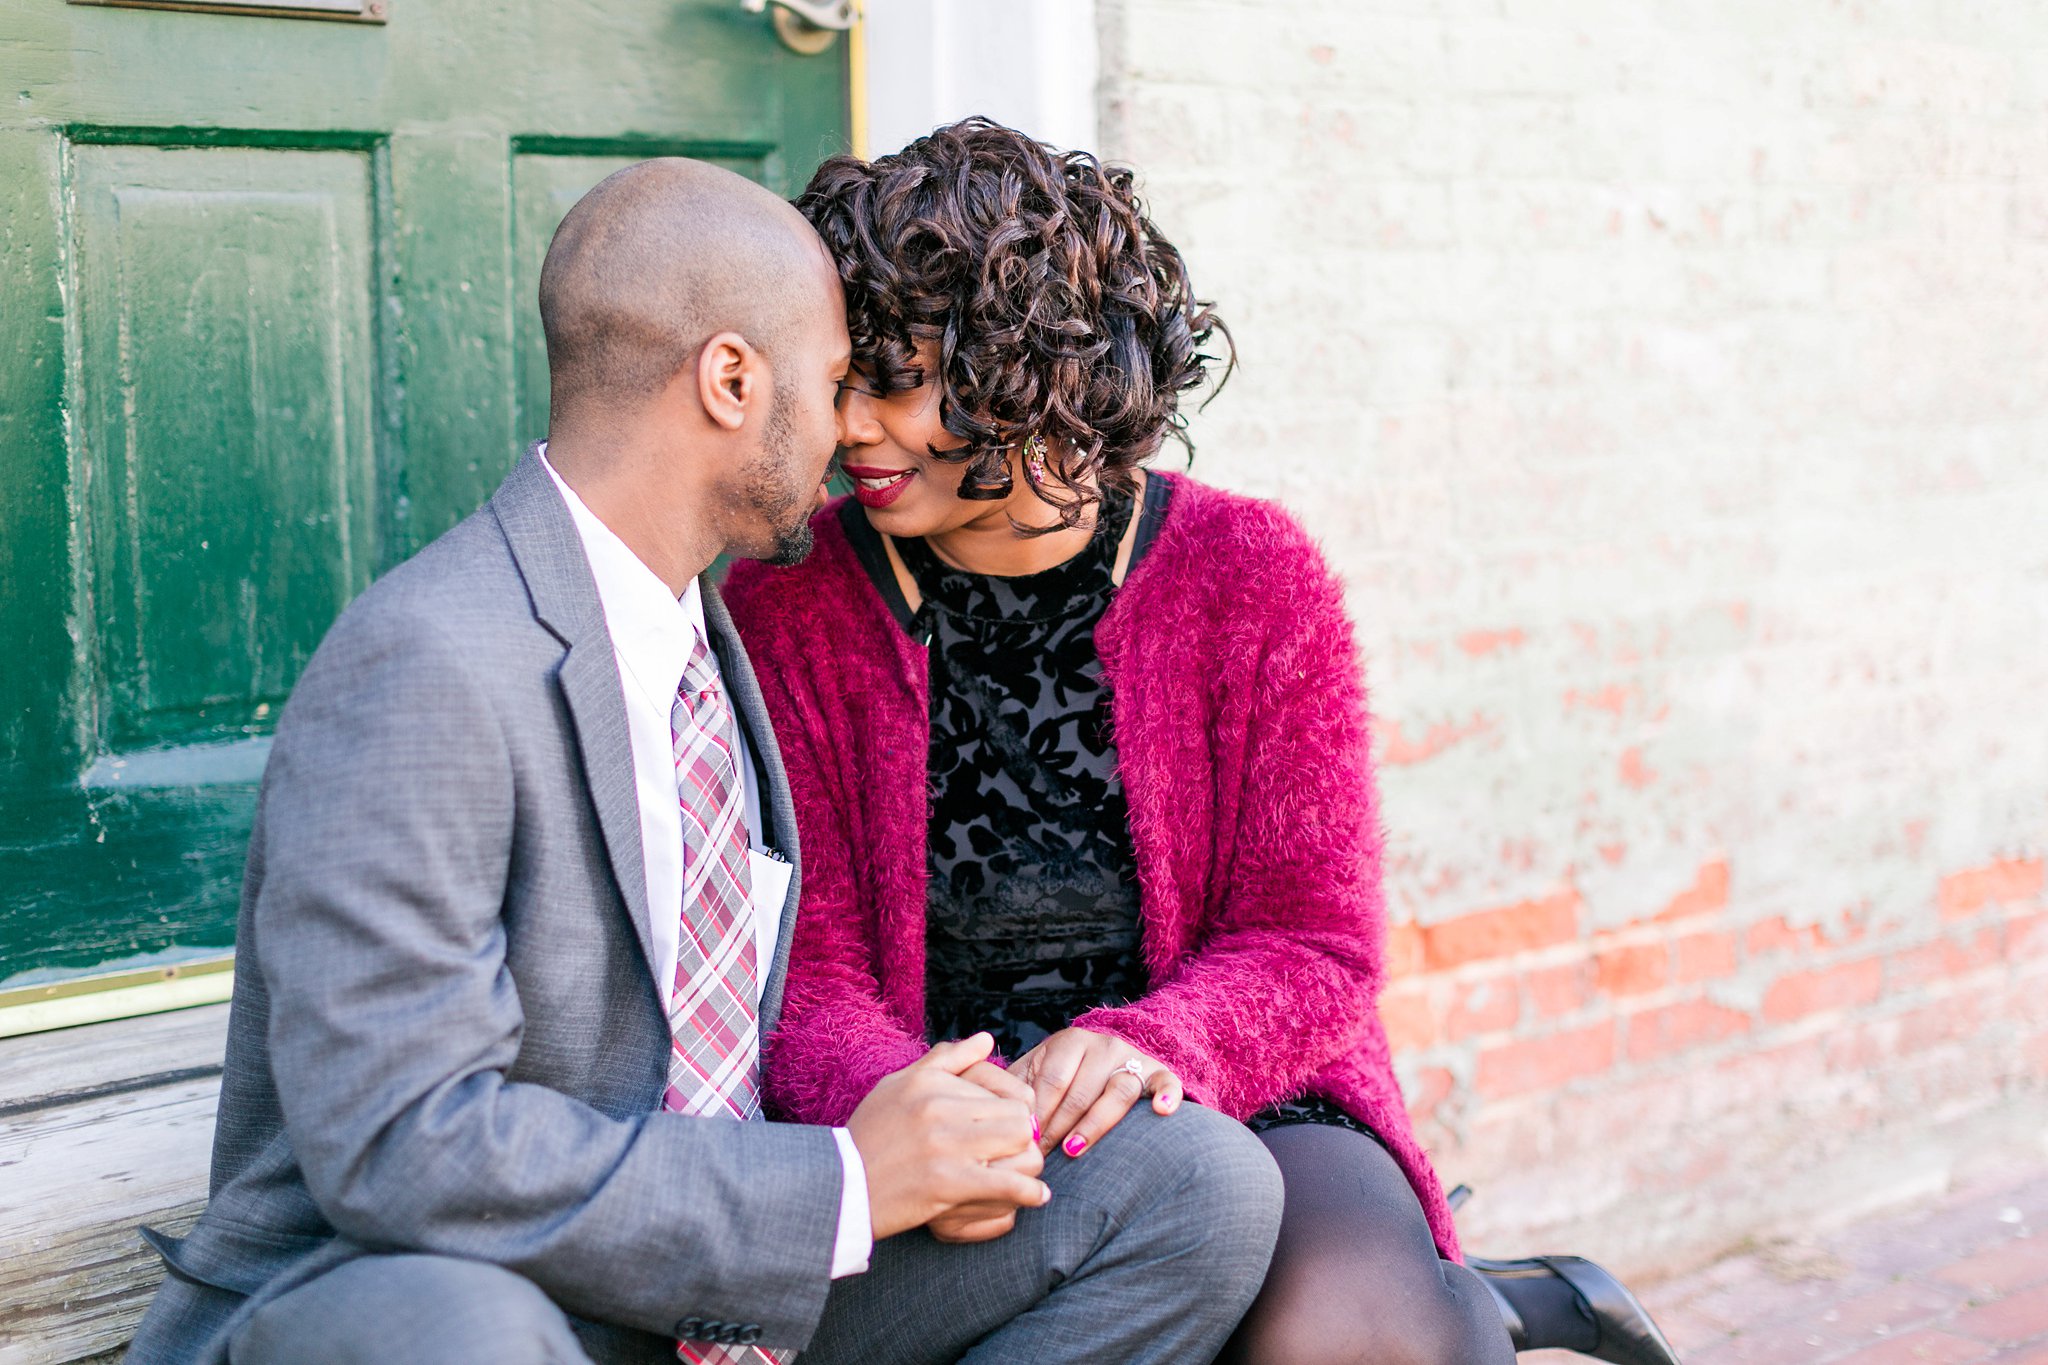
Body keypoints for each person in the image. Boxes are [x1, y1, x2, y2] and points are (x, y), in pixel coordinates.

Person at [126, 157, 1283, 1365]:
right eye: (836, 381)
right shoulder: (428, 663)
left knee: (1190, 1185)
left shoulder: (707, 634)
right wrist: (841, 1183)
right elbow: (401, 1150)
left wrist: (932, 1139)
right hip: (435, 1290)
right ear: (731, 380)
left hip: (690, 1280)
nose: (847, 430)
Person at [724, 118, 1684, 1365]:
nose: (850, 427)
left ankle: (1472, 1305)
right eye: (842, 376)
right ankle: (1495, 1307)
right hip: (946, 1111)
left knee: (1346, 1337)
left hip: (1226, 1075)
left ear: (1022, 375)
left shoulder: (1249, 576)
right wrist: (916, 1111)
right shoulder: (788, 605)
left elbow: (1313, 945)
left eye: (895, 381)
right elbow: (808, 974)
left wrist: (1151, 1045)